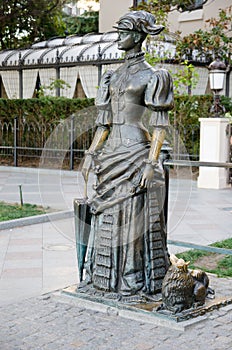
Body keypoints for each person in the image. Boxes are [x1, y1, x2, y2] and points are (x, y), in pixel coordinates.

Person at [78, 10, 174, 302]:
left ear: (138, 35)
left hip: (136, 153)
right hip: (110, 156)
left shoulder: (154, 76)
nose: (118, 36)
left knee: (132, 217)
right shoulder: (112, 75)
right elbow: (104, 123)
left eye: (123, 31)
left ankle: (132, 280)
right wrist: (91, 154)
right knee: (107, 213)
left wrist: (150, 163)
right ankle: (104, 280)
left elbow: (159, 125)